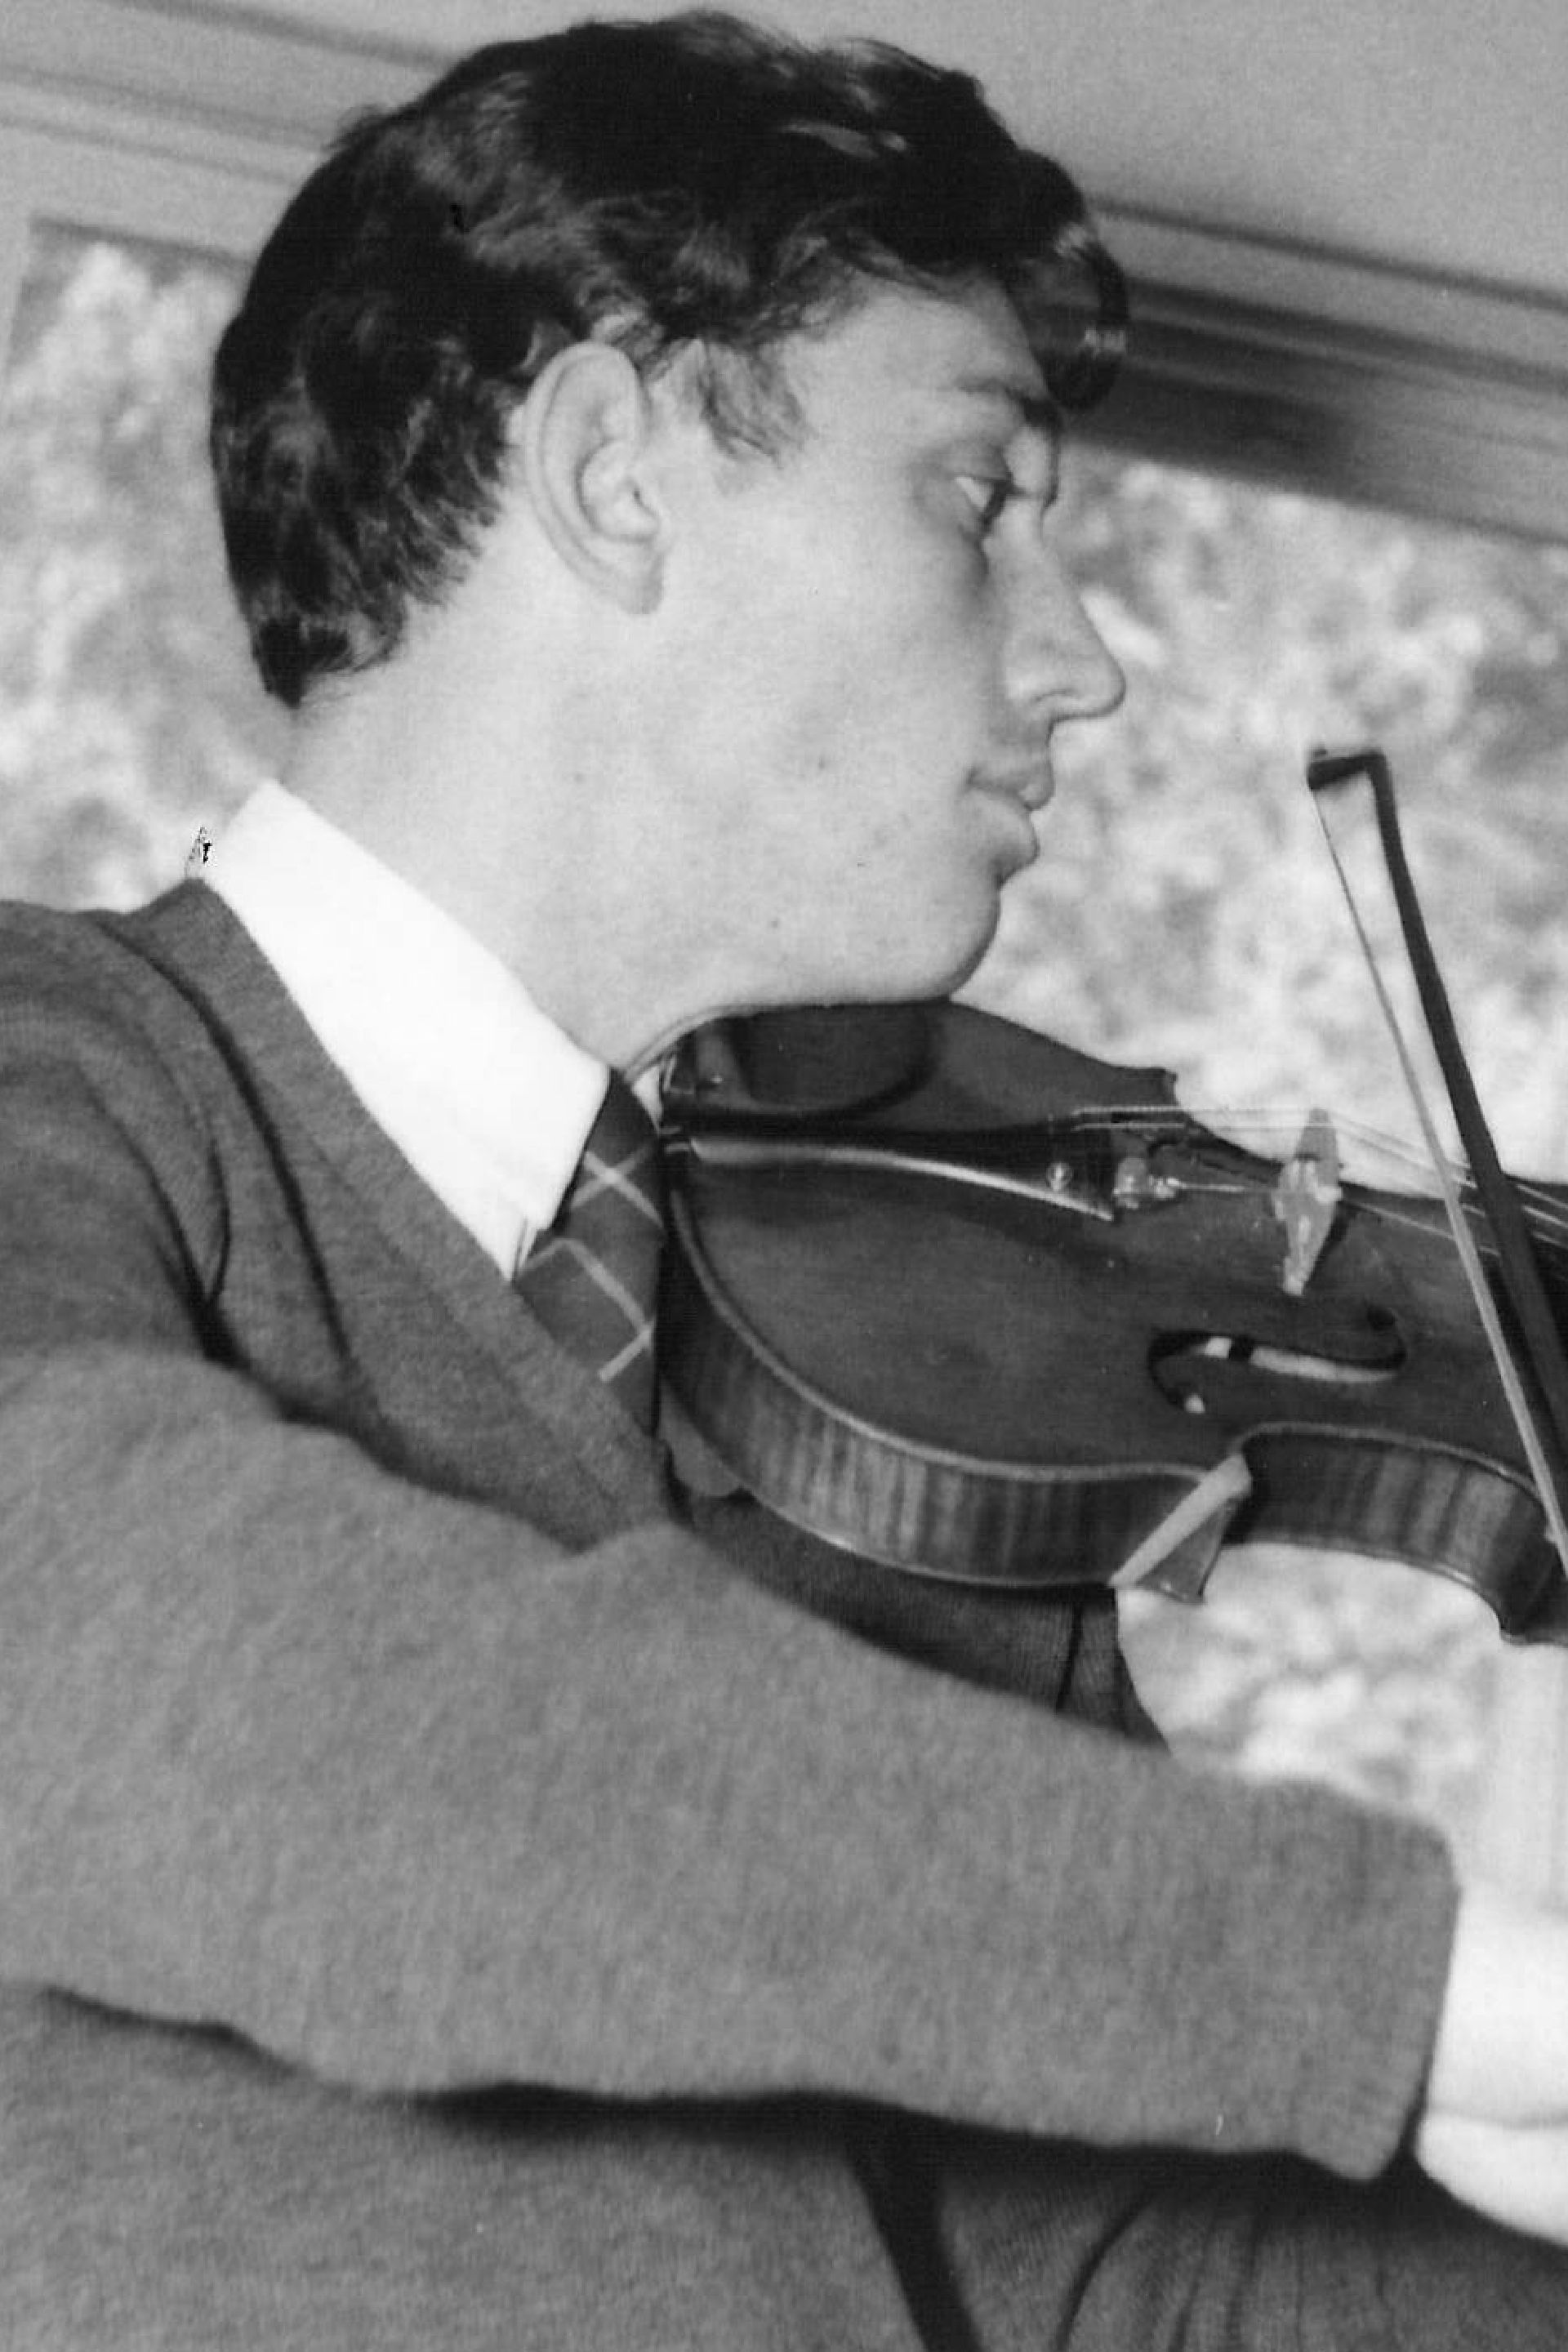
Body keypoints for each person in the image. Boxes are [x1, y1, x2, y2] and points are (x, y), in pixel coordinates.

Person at [3, 12, 1568, 2346]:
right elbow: (109, 1660)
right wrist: (1410, 1986)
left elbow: (1111, 2272)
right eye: (979, 497)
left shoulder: (927, 1360)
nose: (1090, 665)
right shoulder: (75, 1073)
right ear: (613, 471)